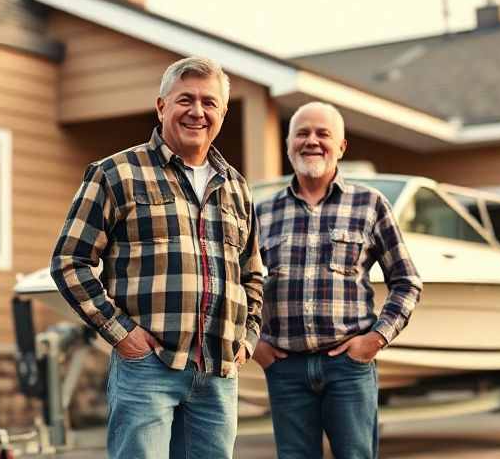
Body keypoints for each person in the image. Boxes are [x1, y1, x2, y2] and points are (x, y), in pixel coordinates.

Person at [50, 56, 263, 459]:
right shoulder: (115, 173)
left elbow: (252, 272)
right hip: (148, 368)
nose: (197, 111)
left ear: (222, 112)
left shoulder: (237, 186)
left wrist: (246, 339)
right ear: (162, 106)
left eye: (209, 102)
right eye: (185, 99)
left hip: (218, 373)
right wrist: (121, 333)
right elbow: (69, 261)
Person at [253, 102, 422, 459]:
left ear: (341, 147)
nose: (311, 141)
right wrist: (253, 342)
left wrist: (376, 339)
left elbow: (406, 280)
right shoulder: (262, 213)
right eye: (302, 133)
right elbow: (238, 285)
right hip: (286, 369)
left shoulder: (370, 204)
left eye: (322, 133)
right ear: (288, 144)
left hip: (349, 368)